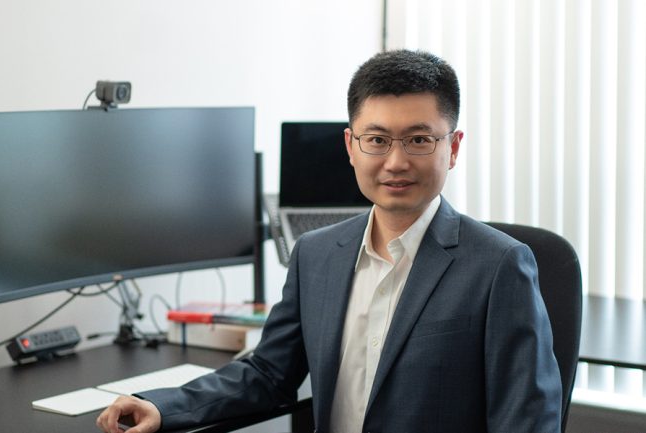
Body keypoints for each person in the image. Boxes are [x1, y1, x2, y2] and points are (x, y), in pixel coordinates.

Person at [97, 49, 562, 433]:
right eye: (377, 140)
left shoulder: (499, 266)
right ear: (350, 146)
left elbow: (525, 420)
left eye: (419, 140)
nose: (396, 162)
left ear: (453, 147)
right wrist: (163, 407)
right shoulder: (316, 254)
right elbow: (267, 374)